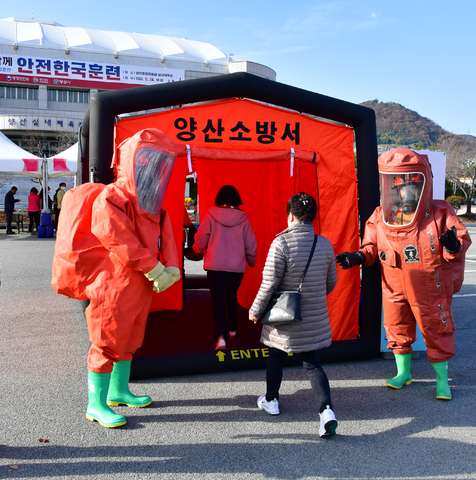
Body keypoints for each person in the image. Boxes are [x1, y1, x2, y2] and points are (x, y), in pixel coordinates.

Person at [63, 128, 181, 428]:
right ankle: (96, 404)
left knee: (130, 337)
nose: (154, 168)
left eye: (159, 162)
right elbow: (116, 236)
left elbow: (165, 231)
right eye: (148, 160)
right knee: (106, 339)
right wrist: (155, 268)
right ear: (131, 161)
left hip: (140, 282)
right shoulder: (112, 197)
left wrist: (171, 265)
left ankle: (117, 391)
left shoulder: (153, 206)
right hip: (114, 282)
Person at [335, 149, 471, 401]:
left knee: (436, 328)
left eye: (412, 185)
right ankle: (403, 373)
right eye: (400, 186)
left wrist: (453, 246)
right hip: (393, 282)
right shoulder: (381, 215)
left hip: (430, 284)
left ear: (423, 184)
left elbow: (460, 241)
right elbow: (372, 246)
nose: (406, 193)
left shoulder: (440, 213)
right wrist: (357, 257)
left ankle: (442, 380)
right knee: (396, 325)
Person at [248, 192, 338, 438]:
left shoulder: (281, 243)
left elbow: (269, 284)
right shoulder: (325, 244)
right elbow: (330, 283)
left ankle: (271, 401)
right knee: (312, 364)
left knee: (276, 357)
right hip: (314, 317)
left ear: (290, 215)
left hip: (284, 318)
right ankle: (326, 411)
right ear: (313, 217)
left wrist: (255, 311)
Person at [194, 185, 257, 350]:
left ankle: (221, 338)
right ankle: (233, 329)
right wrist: (251, 261)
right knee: (232, 297)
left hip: (215, 267)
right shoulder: (244, 219)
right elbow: (251, 244)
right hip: (236, 268)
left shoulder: (210, 216)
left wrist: (197, 249)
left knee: (218, 301)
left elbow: (201, 239)